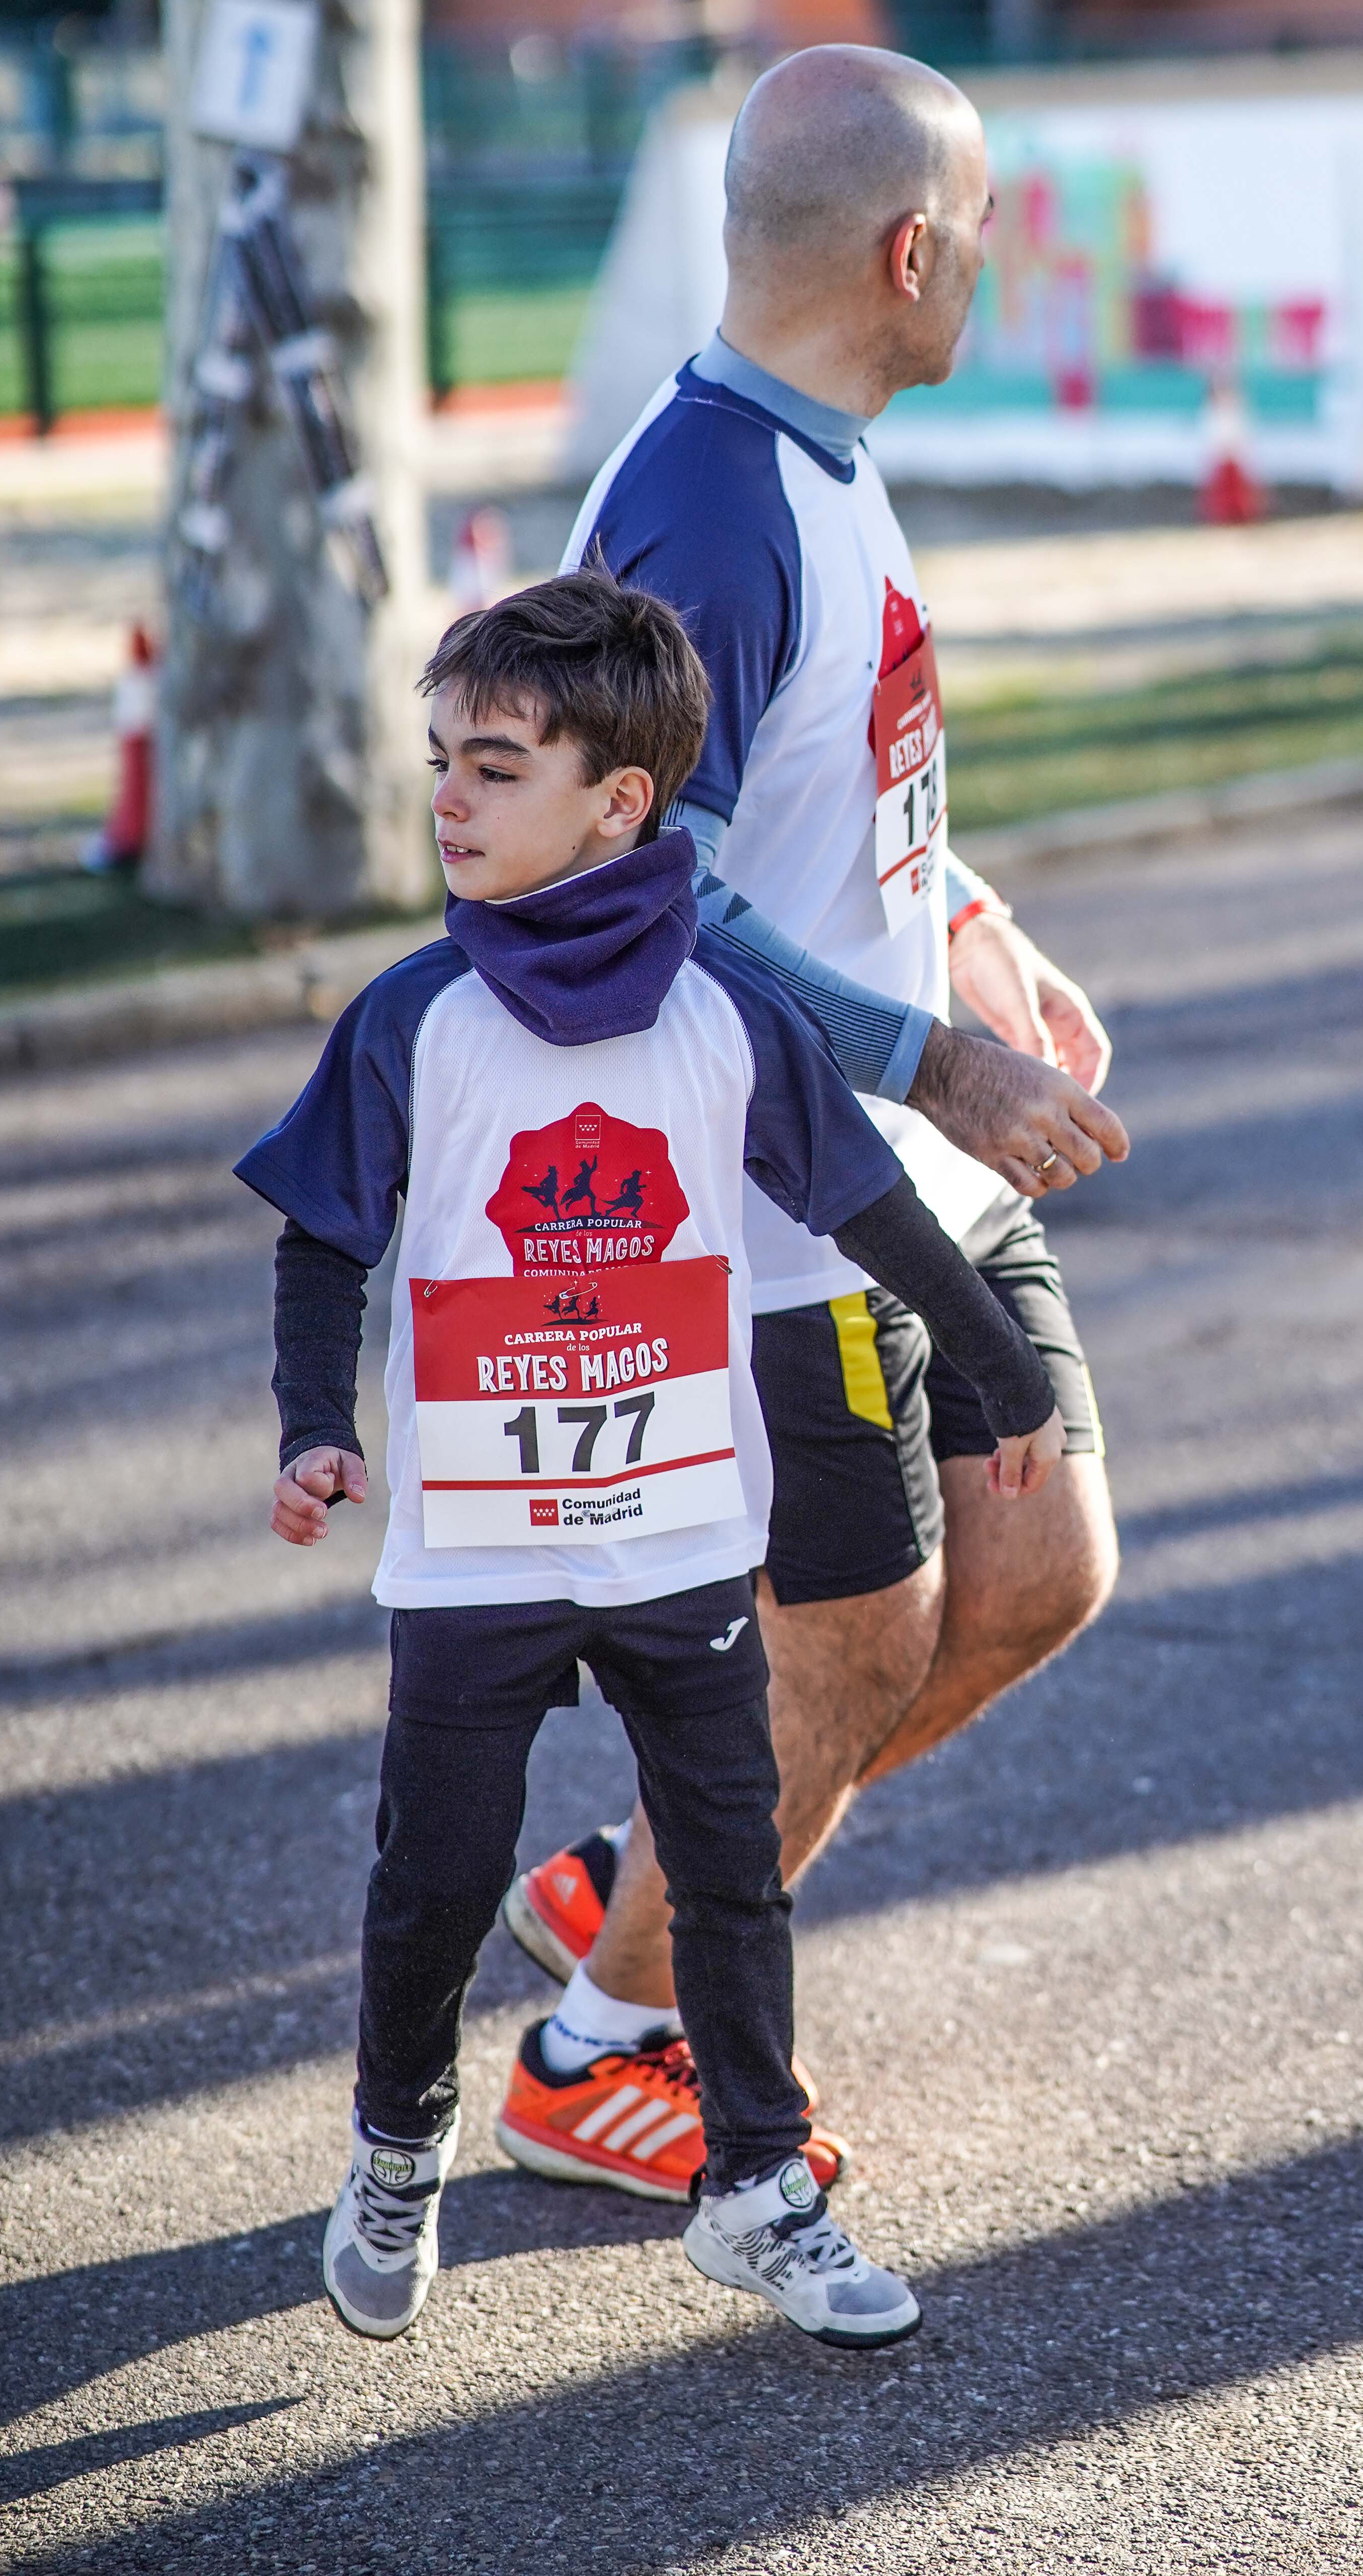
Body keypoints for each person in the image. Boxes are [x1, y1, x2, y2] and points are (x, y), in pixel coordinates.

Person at [236, 572, 1066, 2346]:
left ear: (623, 802)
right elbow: (326, 1238)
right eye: (440, 763)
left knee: (725, 1863)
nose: (448, 800)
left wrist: (1001, 1386)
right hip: (477, 1553)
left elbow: (870, 1214)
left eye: (496, 767)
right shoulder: (410, 1019)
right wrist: (317, 1424)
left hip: (681, 1532)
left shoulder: (729, 1015)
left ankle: (755, 2190)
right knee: (436, 1881)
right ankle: (399, 2145)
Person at [498, 44, 1127, 2185]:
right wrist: (938, 1056)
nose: (991, 261)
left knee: (1039, 1571)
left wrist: (978, 922)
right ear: (908, 247)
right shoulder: (705, 509)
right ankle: (600, 2052)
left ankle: (650, 1878)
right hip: (794, 1210)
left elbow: (821, 792)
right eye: (982, 225)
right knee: (845, 1656)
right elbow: (613, 887)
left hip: (914, 1152)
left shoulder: (825, 448)